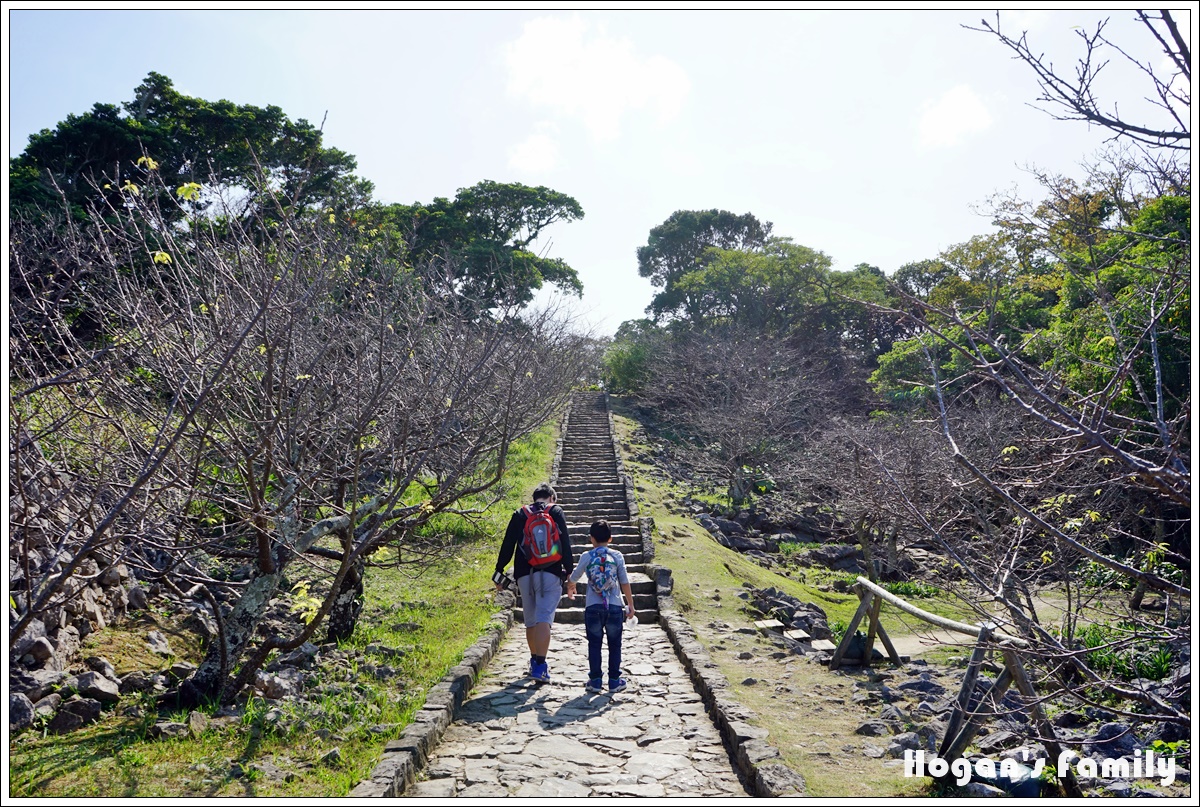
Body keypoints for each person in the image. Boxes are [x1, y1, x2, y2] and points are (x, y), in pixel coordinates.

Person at [495, 482, 572, 684]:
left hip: (524, 574)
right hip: (551, 572)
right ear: (551, 498)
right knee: (544, 618)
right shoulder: (555, 511)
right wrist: (570, 571)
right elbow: (565, 543)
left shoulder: (520, 514)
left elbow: (508, 544)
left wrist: (499, 569)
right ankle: (541, 665)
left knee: (530, 620)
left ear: (534, 498)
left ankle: (534, 662)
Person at [566, 519, 635, 693]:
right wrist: (630, 605)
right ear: (610, 538)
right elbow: (625, 582)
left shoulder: (587, 556)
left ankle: (595, 681)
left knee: (594, 644)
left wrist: (571, 586)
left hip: (593, 607)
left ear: (591, 539)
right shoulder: (617, 556)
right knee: (615, 644)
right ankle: (614, 681)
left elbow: (573, 577)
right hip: (614, 607)